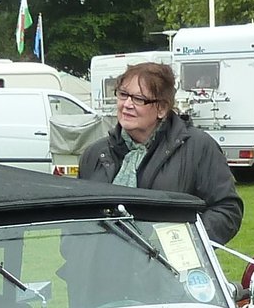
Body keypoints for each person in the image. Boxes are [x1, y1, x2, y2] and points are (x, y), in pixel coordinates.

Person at [78, 62, 243, 244]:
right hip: (102, 268)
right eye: (123, 95)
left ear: (162, 108)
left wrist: (182, 242)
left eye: (139, 99)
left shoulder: (199, 147)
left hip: (168, 268)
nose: (127, 104)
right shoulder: (94, 154)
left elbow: (227, 210)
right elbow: (76, 215)